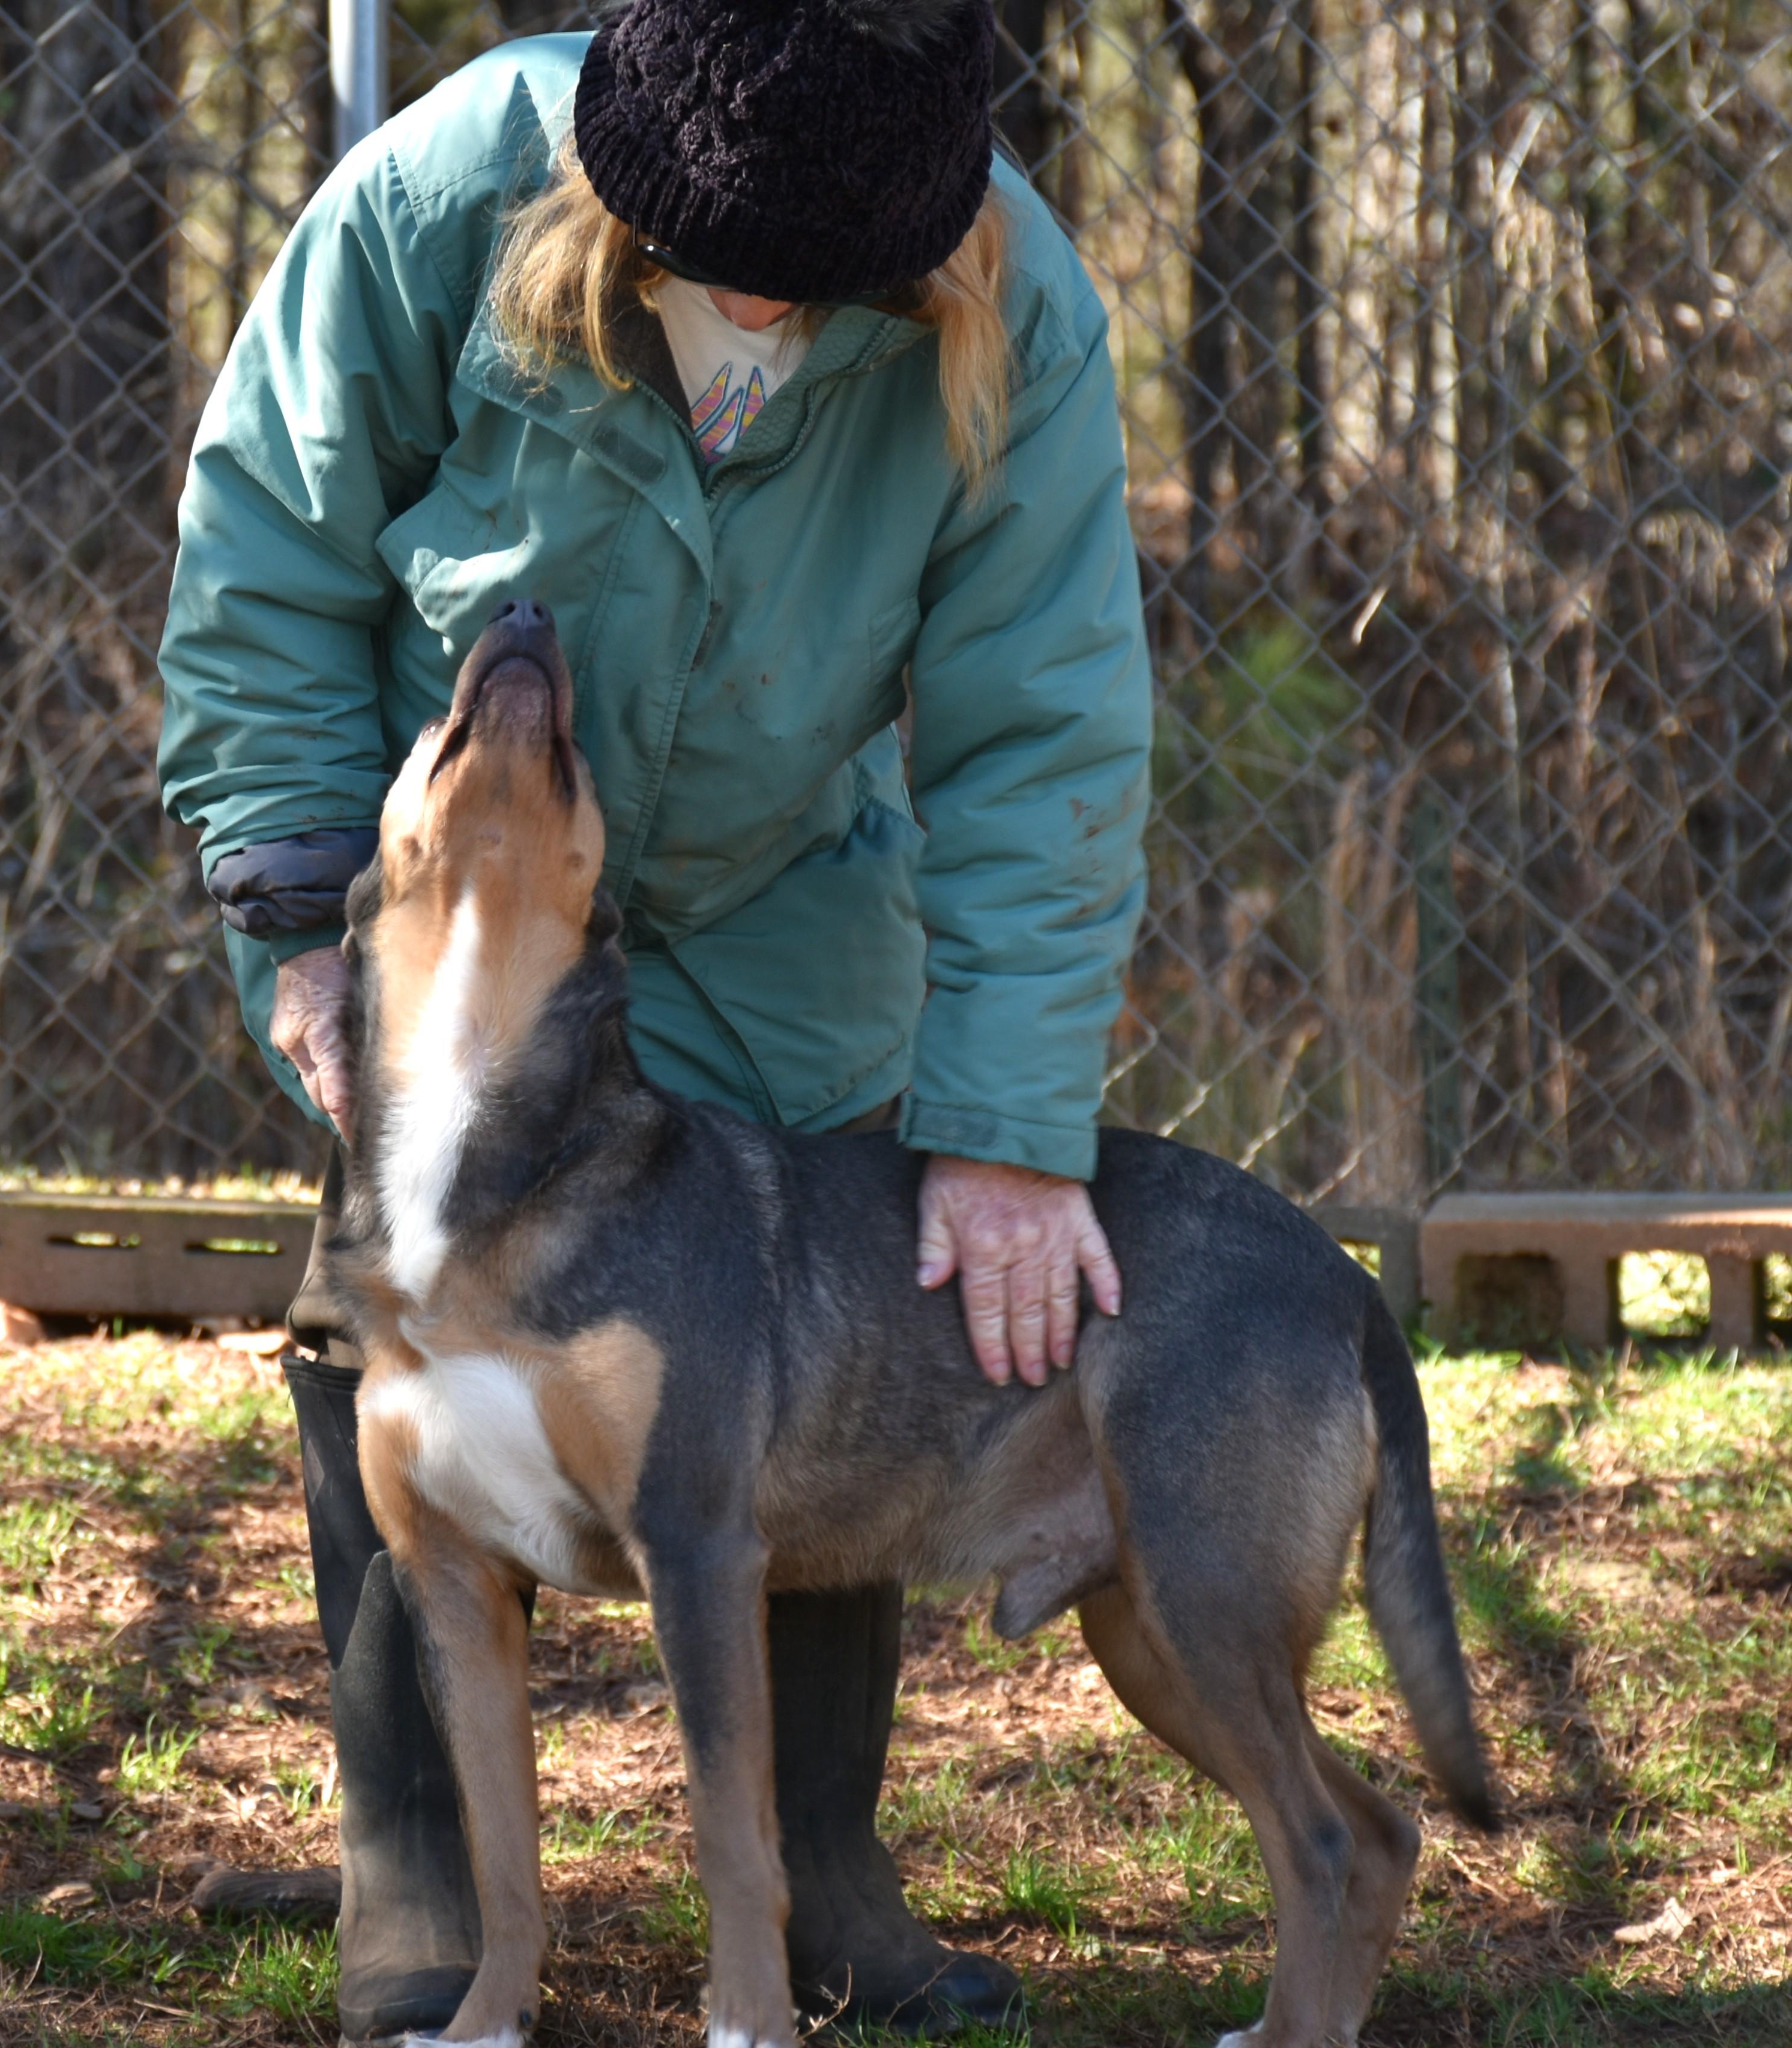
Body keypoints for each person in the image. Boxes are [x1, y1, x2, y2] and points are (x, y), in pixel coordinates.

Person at [157, 0, 1152, 2039]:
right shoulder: (450, 183)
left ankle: (822, 1885)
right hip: (469, 909)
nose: (767, 298)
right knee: (390, 1357)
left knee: (818, 1358)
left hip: (786, 916)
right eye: (723, 255)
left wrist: (1008, 1123)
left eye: (820, 273)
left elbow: (1045, 729)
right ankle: (421, 1886)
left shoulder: (1013, 298)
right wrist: (293, 900)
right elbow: (267, 535)